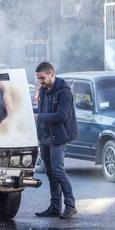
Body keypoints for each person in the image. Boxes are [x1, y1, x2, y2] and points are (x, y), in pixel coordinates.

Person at [33, 62, 78, 219]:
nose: (41, 81)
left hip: (58, 137)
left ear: (51, 73)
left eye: (42, 78)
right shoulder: (44, 91)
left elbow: (61, 116)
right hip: (45, 137)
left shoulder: (64, 92)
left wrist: (39, 117)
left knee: (58, 171)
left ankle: (70, 206)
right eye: (38, 78)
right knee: (51, 173)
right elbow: (41, 111)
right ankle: (55, 207)